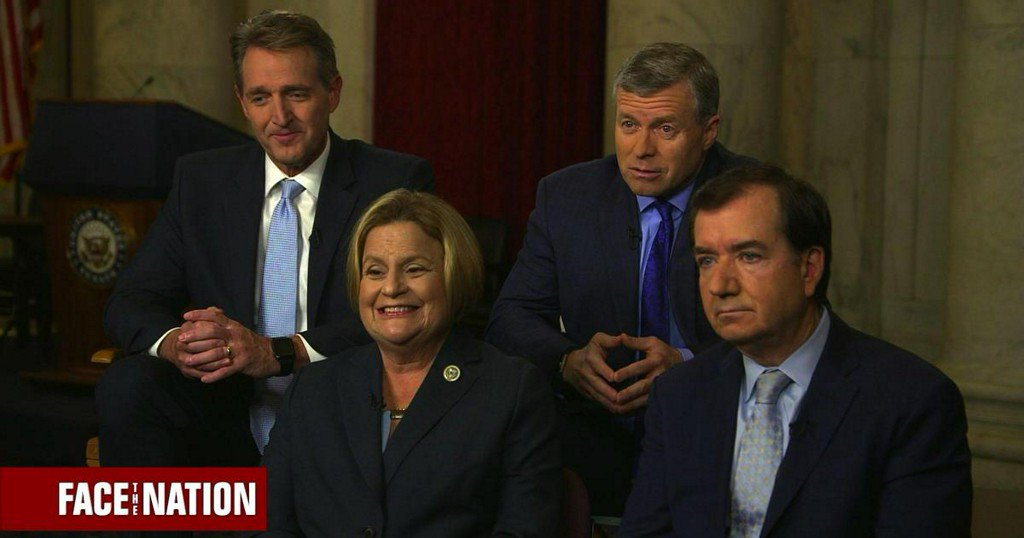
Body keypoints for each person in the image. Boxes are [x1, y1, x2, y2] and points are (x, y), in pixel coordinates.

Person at [96, 11, 434, 466]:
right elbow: (131, 301)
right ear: (241, 101)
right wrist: (178, 342)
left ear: (332, 92)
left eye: (296, 94)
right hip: (224, 411)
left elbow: (412, 312)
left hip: (339, 409)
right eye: (260, 97)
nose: (280, 117)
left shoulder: (392, 183)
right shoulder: (202, 181)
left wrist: (281, 353)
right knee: (128, 385)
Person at [619, 164, 972, 537]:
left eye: (748, 256)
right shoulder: (679, 393)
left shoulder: (912, 401)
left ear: (809, 269)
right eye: (707, 260)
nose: (720, 285)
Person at [486, 42, 756, 515]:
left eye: (665, 129)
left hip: (721, 427)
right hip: (593, 432)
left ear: (708, 131)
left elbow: (789, 330)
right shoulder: (567, 196)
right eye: (628, 124)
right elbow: (511, 317)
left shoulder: (757, 199)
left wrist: (688, 366)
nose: (641, 149)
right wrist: (567, 361)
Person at [262, 189, 561, 536]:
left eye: (414, 269)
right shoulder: (312, 387)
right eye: (375, 271)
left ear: (453, 274)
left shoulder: (512, 390)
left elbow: (525, 530)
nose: (391, 287)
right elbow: (263, 520)